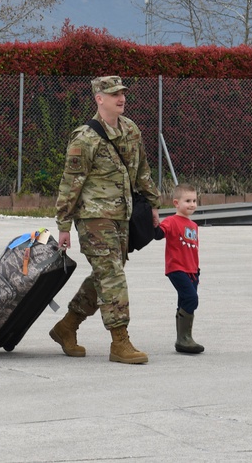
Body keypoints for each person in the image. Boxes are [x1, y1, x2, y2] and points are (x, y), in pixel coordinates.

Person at [50, 75, 161, 365]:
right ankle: (119, 341)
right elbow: (70, 183)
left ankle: (67, 327)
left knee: (105, 274)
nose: (120, 98)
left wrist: (152, 203)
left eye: (122, 93)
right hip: (93, 217)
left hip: (121, 216)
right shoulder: (85, 138)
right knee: (112, 274)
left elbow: (142, 170)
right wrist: (63, 226)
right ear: (99, 99)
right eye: (113, 94)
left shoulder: (130, 129)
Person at [160, 183, 204, 354]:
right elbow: (159, 234)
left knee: (184, 301)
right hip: (176, 268)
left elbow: (193, 250)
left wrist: (196, 270)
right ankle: (185, 338)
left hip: (192, 270)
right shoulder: (171, 221)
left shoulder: (193, 226)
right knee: (191, 298)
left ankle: (183, 340)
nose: (192, 204)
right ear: (176, 203)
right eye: (188, 201)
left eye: (194, 200)